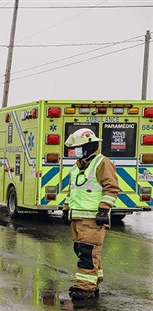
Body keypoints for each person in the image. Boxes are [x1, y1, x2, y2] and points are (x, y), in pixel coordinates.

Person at [61, 128, 119, 301]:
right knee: (83, 251)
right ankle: (94, 281)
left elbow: (111, 188)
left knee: (87, 253)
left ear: (87, 147)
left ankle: (84, 288)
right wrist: (66, 209)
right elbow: (72, 192)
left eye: (78, 148)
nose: (75, 151)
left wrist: (103, 210)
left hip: (93, 219)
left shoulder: (102, 163)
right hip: (77, 218)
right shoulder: (78, 166)